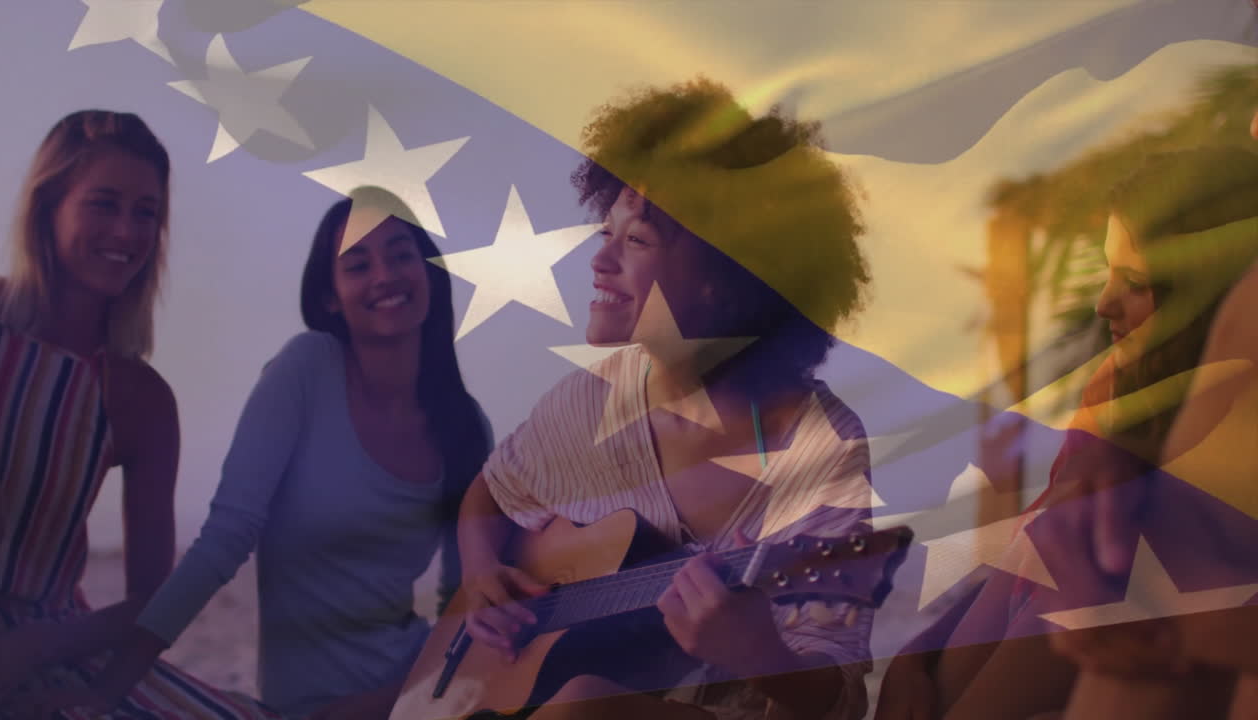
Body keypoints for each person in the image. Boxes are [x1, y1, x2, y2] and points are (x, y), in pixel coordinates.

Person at [450, 78, 877, 720]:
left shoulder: (819, 453)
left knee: (584, 707)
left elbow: (835, 699)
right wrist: (482, 573)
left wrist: (760, 653)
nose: (600, 262)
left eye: (638, 241)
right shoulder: (588, 400)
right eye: (607, 232)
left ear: (727, 274)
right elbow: (490, 491)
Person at [43, 186, 494, 719]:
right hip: (298, 707)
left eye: (401, 255)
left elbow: (460, 609)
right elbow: (225, 539)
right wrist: (109, 687)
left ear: (430, 274)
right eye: (357, 264)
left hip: (413, 699)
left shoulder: (466, 427)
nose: (385, 276)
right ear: (330, 296)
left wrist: (383, 706)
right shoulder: (307, 370)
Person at [874, 146, 1258, 720]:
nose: (1104, 303)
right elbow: (1028, 547)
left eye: (1133, 281)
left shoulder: (1154, 493)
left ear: (1200, 296)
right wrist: (918, 652)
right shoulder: (1114, 403)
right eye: (1107, 274)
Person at [0, 110, 276, 719]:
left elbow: (150, 597)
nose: (126, 231)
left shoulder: (139, 396)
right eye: (104, 203)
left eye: (147, 213)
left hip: (50, 642)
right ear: (48, 205)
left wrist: (37, 651)